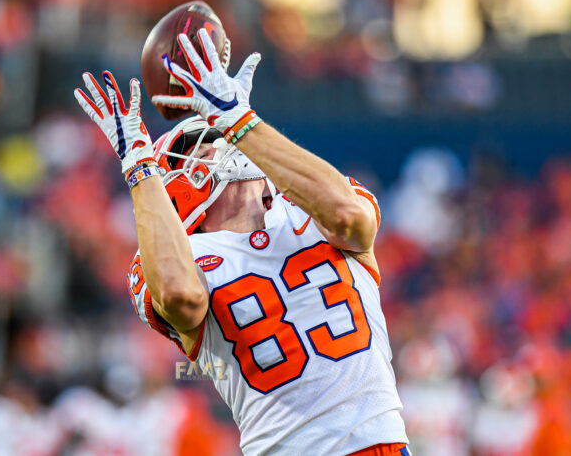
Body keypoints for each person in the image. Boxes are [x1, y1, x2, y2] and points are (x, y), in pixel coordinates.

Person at [74, 25, 409, 455]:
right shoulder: (182, 257)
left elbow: (349, 217)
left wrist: (240, 121)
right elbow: (179, 296)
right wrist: (139, 166)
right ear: (178, 187)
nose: (222, 143)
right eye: (207, 142)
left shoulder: (308, 209)